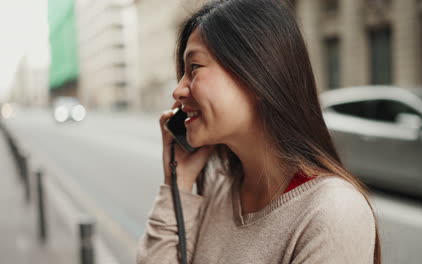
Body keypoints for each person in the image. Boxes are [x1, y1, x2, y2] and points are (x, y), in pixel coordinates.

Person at [137, 0, 381, 263]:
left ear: (256, 74)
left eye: (194, 68)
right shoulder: (219, 188)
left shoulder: (333, 213)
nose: (178, 91)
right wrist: (177, 183)